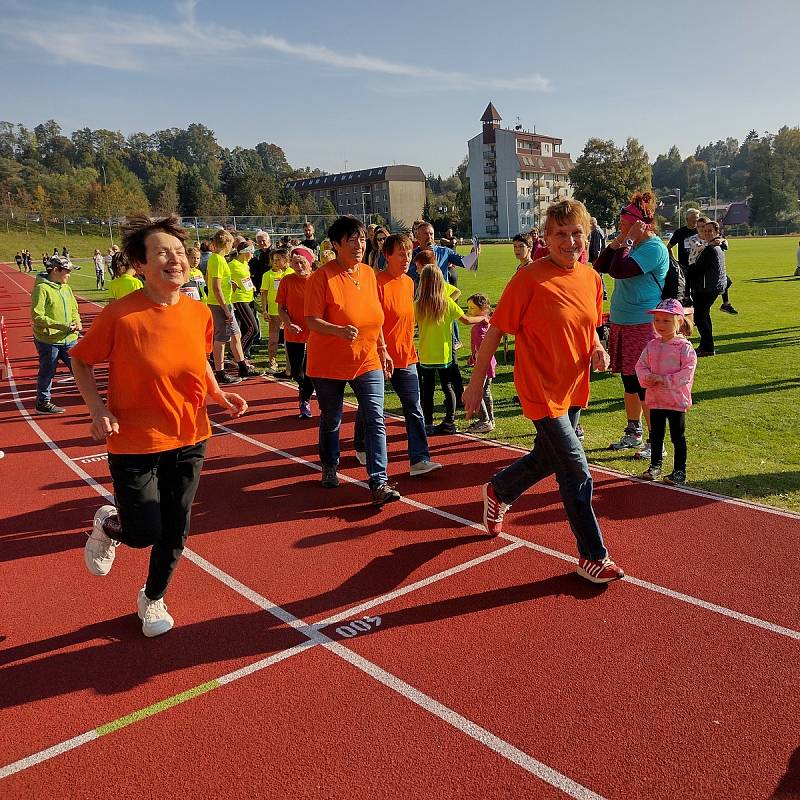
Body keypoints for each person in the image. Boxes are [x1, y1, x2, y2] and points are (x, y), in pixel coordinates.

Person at [71, 214, 247, 638]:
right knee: (143, 532)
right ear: (140, 264)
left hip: (190, 436)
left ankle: (152, 597)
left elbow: (199, 360)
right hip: (133, 440)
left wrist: (217, 394)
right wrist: (97, 409)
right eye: (162, 253)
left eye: (180, 252)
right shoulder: (120, 315)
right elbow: (80, 359)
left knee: (175, 528)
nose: (175, 259)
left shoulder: (199, 312)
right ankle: (110, 524)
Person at [463, 198, 624, 585]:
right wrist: (473, 385)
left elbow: (589, 325)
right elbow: (495, 331)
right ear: (546, 238)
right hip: (539, 389)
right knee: (575, 469)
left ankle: (499, 490)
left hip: (572, 387)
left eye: (576, 233)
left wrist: (598, 347)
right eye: (560, 234)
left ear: (587, 235)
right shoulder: (529, 278)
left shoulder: (591, 278)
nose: (569, 241)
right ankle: (593, 556)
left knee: (546, 458)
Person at [304, 215, 400, 506]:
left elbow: (376, 317)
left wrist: (383, 348)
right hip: (328, 362)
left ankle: (379, 481)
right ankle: (330, 464)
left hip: (366, 358)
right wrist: (338, 330)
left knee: (375, 417)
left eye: (361, 238)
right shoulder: (321, 277)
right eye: (351, 240)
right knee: (332, 418)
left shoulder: (369, 274)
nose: (359, 244)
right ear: (336, 245)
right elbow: (312, 320)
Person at [354, 233, 442, 476]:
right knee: (371, 407)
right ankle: (361, 444)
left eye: (409, 254)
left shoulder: (409, 283)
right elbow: (373, 322)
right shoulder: (376, 283)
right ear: (386, 256)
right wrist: (381, 351)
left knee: (414, 408)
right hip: (377, 357)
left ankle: (419, 459)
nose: (406, 259)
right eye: (400, 254)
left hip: (406, 356)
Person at [594, 191, 669, 462]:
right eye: (621, 223)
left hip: (642, 324)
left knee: (644, 385)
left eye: (625, 224)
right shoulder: (630, 244)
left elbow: (620, 271)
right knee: (628, 382)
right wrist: (618, 241)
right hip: (621, 321)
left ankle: (655, 440)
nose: (620, 228)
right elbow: (600, 265)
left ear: (642, 225)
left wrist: (623, 241)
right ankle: (633, 430)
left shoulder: (653, 248)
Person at [415, 263, 487, 436]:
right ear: (441, 282)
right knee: (448, 388)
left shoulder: (418, 304)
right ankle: (449, 420)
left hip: (426, 354)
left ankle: (428, 423)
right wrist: (483, 318)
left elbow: (409, 326)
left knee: (428, 390)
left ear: (422, 282)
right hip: (445, 353)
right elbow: (467, 320)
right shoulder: (447, 303)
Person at [635, 299, 697, 486]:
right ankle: (655, 466)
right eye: (657, 320)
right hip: (655, 399)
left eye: (666, 321)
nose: (660, 325)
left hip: (675, 400)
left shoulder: (684, 348)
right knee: (656, 434)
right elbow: (641, 366)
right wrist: (648, 378)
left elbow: (687, 372)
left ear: (679, 322)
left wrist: (665, 380)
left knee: (677, 436)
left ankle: (679, 471)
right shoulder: (652, 345)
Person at [30, 255, 81, 414]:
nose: (69, 274)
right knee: (48, 370)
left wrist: (77, 321)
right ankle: (42, 402)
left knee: (80, 368)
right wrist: (63, 326)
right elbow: (37, 316)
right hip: (49, 340)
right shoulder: (42, 289)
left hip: (70, 339)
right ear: (56, 270)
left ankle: (92, 397)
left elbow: (74, 309)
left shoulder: (66, 288)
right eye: (67, 271)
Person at [206, 228, 258, 383]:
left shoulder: (219, 260)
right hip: (220, 304)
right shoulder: (217, 259)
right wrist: (226, 310)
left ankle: (243, 367)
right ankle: (220, 372)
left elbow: (213, 280)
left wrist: (229, 283)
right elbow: (215, 286)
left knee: (236, 335)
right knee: (221, 338)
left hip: (226, 303)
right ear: (227, 244)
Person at [277, 246, 315, 418]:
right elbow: (281, 308)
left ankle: (304, 400)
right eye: (295, 263)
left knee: (311, 371)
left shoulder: (317, 279)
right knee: (296, 372)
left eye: (301, 263)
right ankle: (303, 389)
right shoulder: (287, 281)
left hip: (315, 332)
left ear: (309, 262)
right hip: (293, 332)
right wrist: (288, 324)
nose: (298, 266)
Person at [685, 220, 727, 356]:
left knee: (700, 318)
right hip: (712, 287)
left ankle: (708, 347)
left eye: (710, 231)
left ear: (717, 232)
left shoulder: (711, 249)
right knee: (704, 316)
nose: (707, 233)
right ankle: (706, 345)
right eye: (705, 230)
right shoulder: (715, 246)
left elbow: (698, 269)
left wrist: (688, 271)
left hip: (706, 288)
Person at [466, 293, 496, 434]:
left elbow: (484, 346)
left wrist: (477, 359)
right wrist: (473, 356)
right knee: (486, 391)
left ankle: (485, 421)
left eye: (472, 308)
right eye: (469, 308)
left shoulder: (481, 328)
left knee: (479, 391)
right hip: (486, 362)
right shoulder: (484, 325)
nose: (469, 312)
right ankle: (490, 419)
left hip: (485, 364)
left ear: (483, 309)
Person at [260, 246, 293, 373]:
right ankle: (272, 361)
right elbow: (263, 293)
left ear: (286, 260)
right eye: (274, 260)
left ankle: (290, 363)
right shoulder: (267, 275)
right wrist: (264, 310)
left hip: (289, 312)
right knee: (273, 339)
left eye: (279, 259)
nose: (276, 262)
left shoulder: (291, 272)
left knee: (289, 339)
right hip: (274, 311)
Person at [229, 241, 261, 363]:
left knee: (246, 329)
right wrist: (230, 283)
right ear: (245, 252)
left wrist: (251, 286)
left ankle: (240, 356)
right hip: (239, 299)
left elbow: (245, 279)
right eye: (251, 253)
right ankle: (236, 354)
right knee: (253, 329)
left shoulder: (245, 264)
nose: (253, 255)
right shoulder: (232, 265)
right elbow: (224, 279)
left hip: (249, 298)